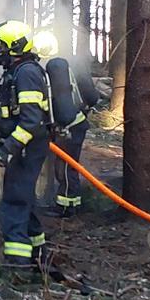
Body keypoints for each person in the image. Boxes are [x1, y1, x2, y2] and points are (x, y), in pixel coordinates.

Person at [0, 19, 52, 273]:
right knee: (24, 199)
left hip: (27, 147)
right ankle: (39, 256)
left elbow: (31, 121)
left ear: (15, 47)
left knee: (13, 202)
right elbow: (7, 114)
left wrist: (7, 149)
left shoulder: (27, 73)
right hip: (25, 146)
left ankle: (17, 266)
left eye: (1, 45)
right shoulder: (17, 72)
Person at [33, 29, 103, 217]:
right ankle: (72, 203)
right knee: (70, 165)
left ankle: (65, 207)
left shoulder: (47, 70)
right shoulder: (69, 66)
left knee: (64, 166)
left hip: (67, 126)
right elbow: (91, 95)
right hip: (77, 122)